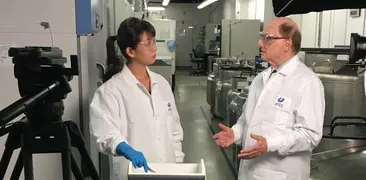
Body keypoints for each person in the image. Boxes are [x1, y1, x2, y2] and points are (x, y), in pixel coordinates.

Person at [213, 17, 325, 180]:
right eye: (262, 37)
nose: (260, 43)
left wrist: (270, 144)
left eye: (268, 38)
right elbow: (247, 121)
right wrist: (235, 134)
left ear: (287, 43)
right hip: (248, 173)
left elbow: (310, 135)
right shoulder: (261, 78)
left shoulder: (307, 82)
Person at [89, 17, 184, 180]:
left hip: (167, 171)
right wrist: (123, 147)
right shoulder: (111, 91)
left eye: (153, 41)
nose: (154, 47)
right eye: (147, 43)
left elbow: (174, 130)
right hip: (133, 173)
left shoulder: (162, 84)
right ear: (130, 51)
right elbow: (104, 131)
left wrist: (178, 164)